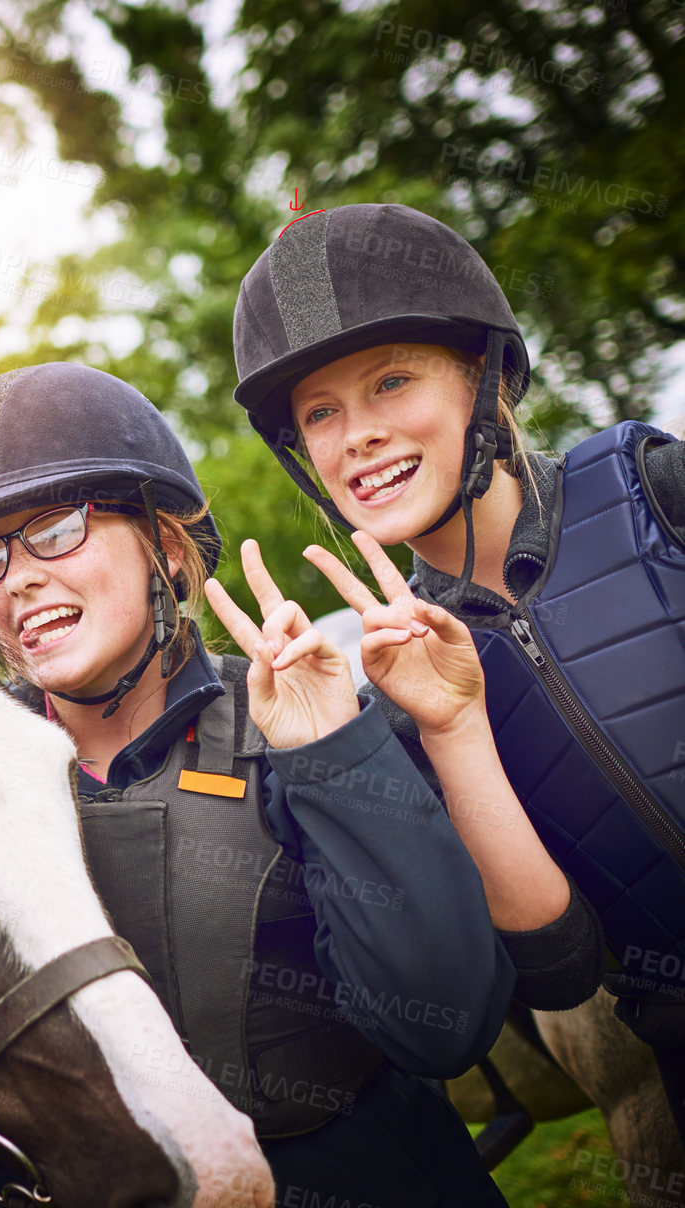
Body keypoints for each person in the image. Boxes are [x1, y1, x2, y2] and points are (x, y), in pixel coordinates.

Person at [0, 361, 529, 1205]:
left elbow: (445, 1023)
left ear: (165, 546)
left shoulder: (300, 718)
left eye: (54, 529)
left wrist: (335, 758)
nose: (14, 577)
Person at [231, 201, 685, 1133]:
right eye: (320, 413)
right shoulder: (398, 691)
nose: (354, 434)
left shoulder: (652, 489)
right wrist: (452, 727)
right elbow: (558, 969)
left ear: (479, 376)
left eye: (390, 381)